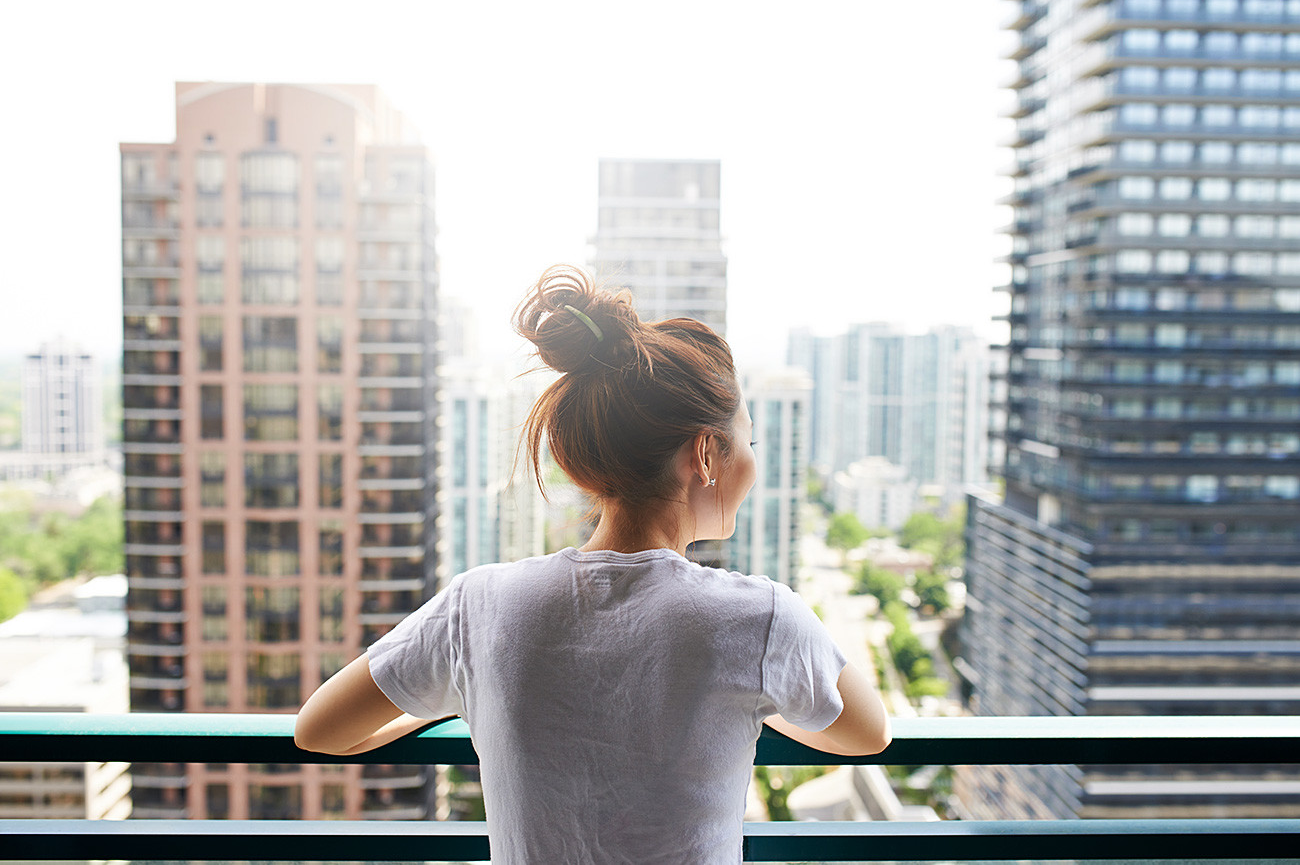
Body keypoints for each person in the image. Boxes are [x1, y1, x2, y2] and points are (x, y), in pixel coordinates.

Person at [295, 265, 891, 863]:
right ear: (706, 452)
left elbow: (319, 730)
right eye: (749, 442)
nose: (753, 464)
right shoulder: (761, 619)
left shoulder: (480, 605)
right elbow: (866, 733)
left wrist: (468, 704)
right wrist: (758, 702)